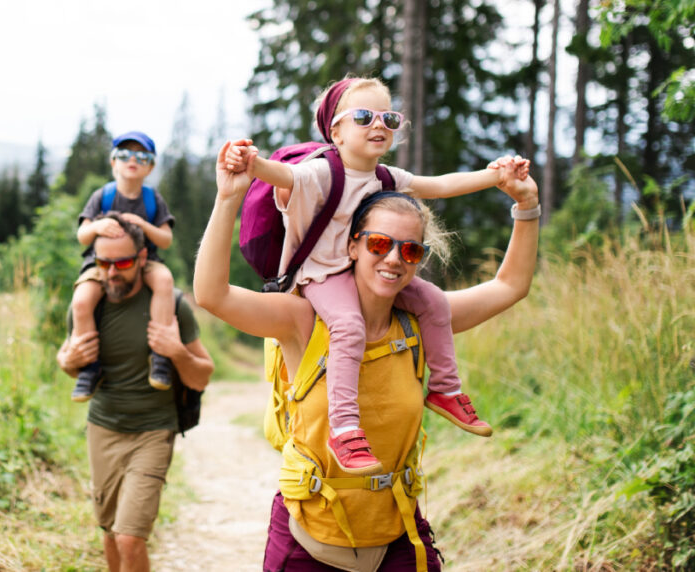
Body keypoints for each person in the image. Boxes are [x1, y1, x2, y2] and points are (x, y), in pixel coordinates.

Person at [196, 141, 540, 570]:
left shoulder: (422, 324)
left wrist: (526, 206)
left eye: (411, 250)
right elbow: (211, 295)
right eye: (379, 243)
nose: (394, 259)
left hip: (399, 539)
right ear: (352, 246)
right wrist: (229, 196)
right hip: (306, 543)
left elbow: (510, 287)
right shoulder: (303, 320)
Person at [224, 77, 530, 474]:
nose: (379, 125)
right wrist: (249, 163)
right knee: (348, 326)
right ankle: (345, 428)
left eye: (389, 117)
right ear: (336, 131)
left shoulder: (384, 177)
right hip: (321, 277)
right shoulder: (321, 172)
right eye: (365, 116)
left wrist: (496, 177)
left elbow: (436, 187)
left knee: (434, 300)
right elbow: (282, 176)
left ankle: (444, 390)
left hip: (358, 270)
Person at [57, 212, 214, 572]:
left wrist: (176, 351)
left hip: (153, 431)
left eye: (123, 262)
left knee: (130, 537)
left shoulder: (172, 306)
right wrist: (68, 360)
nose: (112, 272)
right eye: (103, 263)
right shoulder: (88, 306)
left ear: (143, 259)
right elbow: (69, 362)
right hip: (103, 430)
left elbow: (202, 376)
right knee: (110, 532)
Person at [71, 131, 179, 402]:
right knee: (82, 301)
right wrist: (96, 225)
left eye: (142, 156)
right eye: (124, 155)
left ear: (150, 166)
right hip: (103, 263)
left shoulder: (153, 199)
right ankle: (89, 367)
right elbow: (82, 235)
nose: (133, 160)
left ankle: (160, 357)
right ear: (113, 163)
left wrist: (143, 225)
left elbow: (165, 239)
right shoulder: (103, 196)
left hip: (145, 260)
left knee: (165, 282)